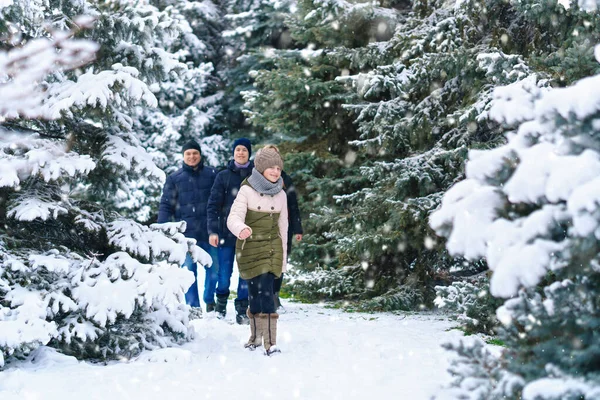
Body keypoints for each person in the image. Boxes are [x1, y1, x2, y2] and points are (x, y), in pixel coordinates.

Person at [227, 145, 288, 355]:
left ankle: (270, 343)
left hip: (271, 250)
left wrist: (283, 259)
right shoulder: (246, 190)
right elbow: (233, 217)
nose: (275, 172)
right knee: (254, 292)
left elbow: (283, 227)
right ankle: (254, 337)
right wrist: (241, 228)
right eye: (271, 167)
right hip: (250, 248)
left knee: (266, 291)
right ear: (261, 168)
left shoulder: (281, 194)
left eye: (278, 168)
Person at [158, 139, 218, 310]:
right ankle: (193, 307)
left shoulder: (213, 175)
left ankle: (209, 298)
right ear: (183, 156)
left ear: (200, 155)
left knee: (214, 270)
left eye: (195, 153)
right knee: (188, 273)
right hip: (186, 235)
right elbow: (166, 204)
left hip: (210, 232)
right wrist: (161, 227)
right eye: (188, 154)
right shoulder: (174, 178)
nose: (192, 157)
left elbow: (220, 202)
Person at [207, 138, 253, 323]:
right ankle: (221, 305)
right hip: (225, 233)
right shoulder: (223, 176)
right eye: (238, 150)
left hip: (248, 234)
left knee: (245, 274)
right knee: (224, 274)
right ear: (233, 152)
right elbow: (213, 205)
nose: (241, 153)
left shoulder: (255, 176)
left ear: (249, 153)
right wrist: (213, 231)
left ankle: (242, 310)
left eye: (244, 150)